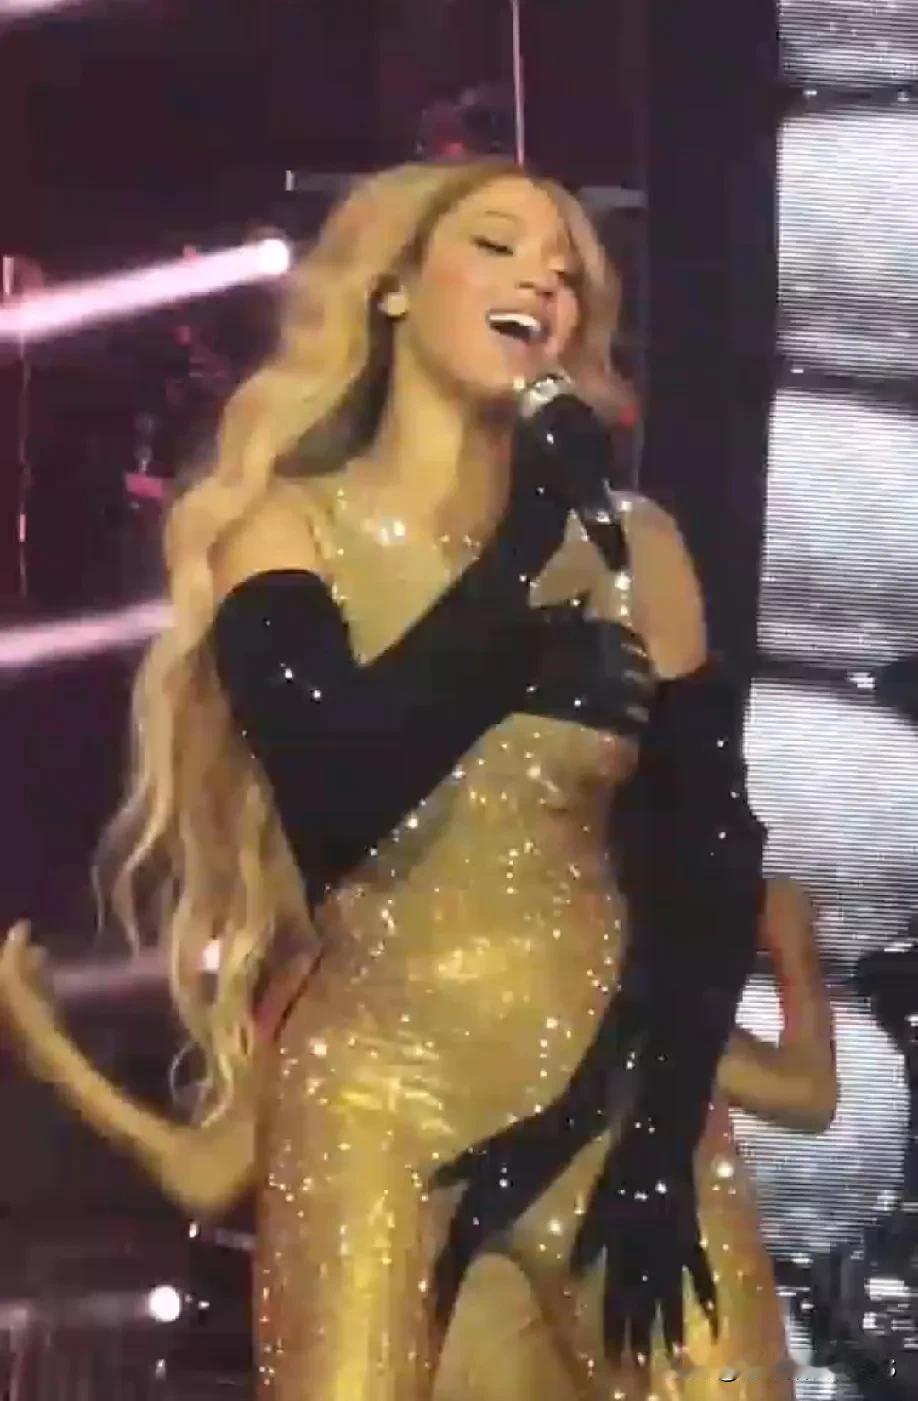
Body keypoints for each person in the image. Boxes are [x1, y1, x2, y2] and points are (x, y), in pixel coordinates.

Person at [0, 160, 837, 1400]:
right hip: (379, 1098)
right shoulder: (288, 534)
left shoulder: (637, 548)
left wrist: (666, 1131)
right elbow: (338, 791)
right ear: (393, 288)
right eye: (498, 246)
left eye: (567, 273)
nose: (542, 282)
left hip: (614, 1080)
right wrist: (515, 600)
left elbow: (710, 849)